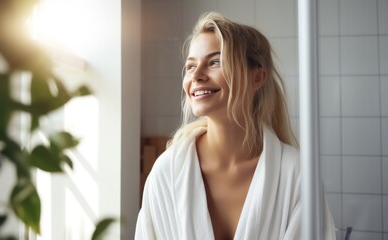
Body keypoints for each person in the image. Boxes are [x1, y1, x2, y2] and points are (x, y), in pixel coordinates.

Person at [135, 12, 336, 240]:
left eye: (214, 62)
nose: (197, 76)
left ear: (258, 77)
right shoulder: (167, 171)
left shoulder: (297, 174)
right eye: (190, 66)